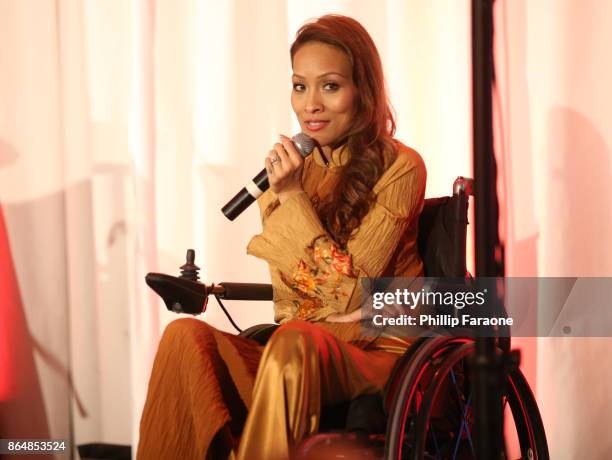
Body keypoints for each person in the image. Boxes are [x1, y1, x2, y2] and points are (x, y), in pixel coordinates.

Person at [137, 14, 426, 460]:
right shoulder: (286, 173)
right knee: (184, 337)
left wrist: (292, 197)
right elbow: (296, 296)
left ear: (361, 91)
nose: (310, 104)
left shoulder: (400, 167)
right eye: (299, 86)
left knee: (293, 340)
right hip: (298, 349)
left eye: (330, 86)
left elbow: (350, 301)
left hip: (374, 350)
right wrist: (285, 192)